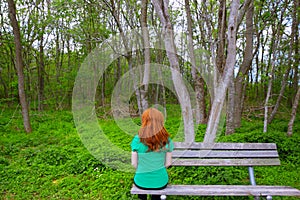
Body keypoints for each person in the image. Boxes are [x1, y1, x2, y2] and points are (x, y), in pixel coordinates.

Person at [131, 108, 174, 200]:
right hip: (160, 181)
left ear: (144, 121)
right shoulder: (167, 140)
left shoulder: (137, 139)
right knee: (157, 192)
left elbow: (134, 164)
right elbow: (168, 164)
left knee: (141, 185)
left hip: (141, 181)